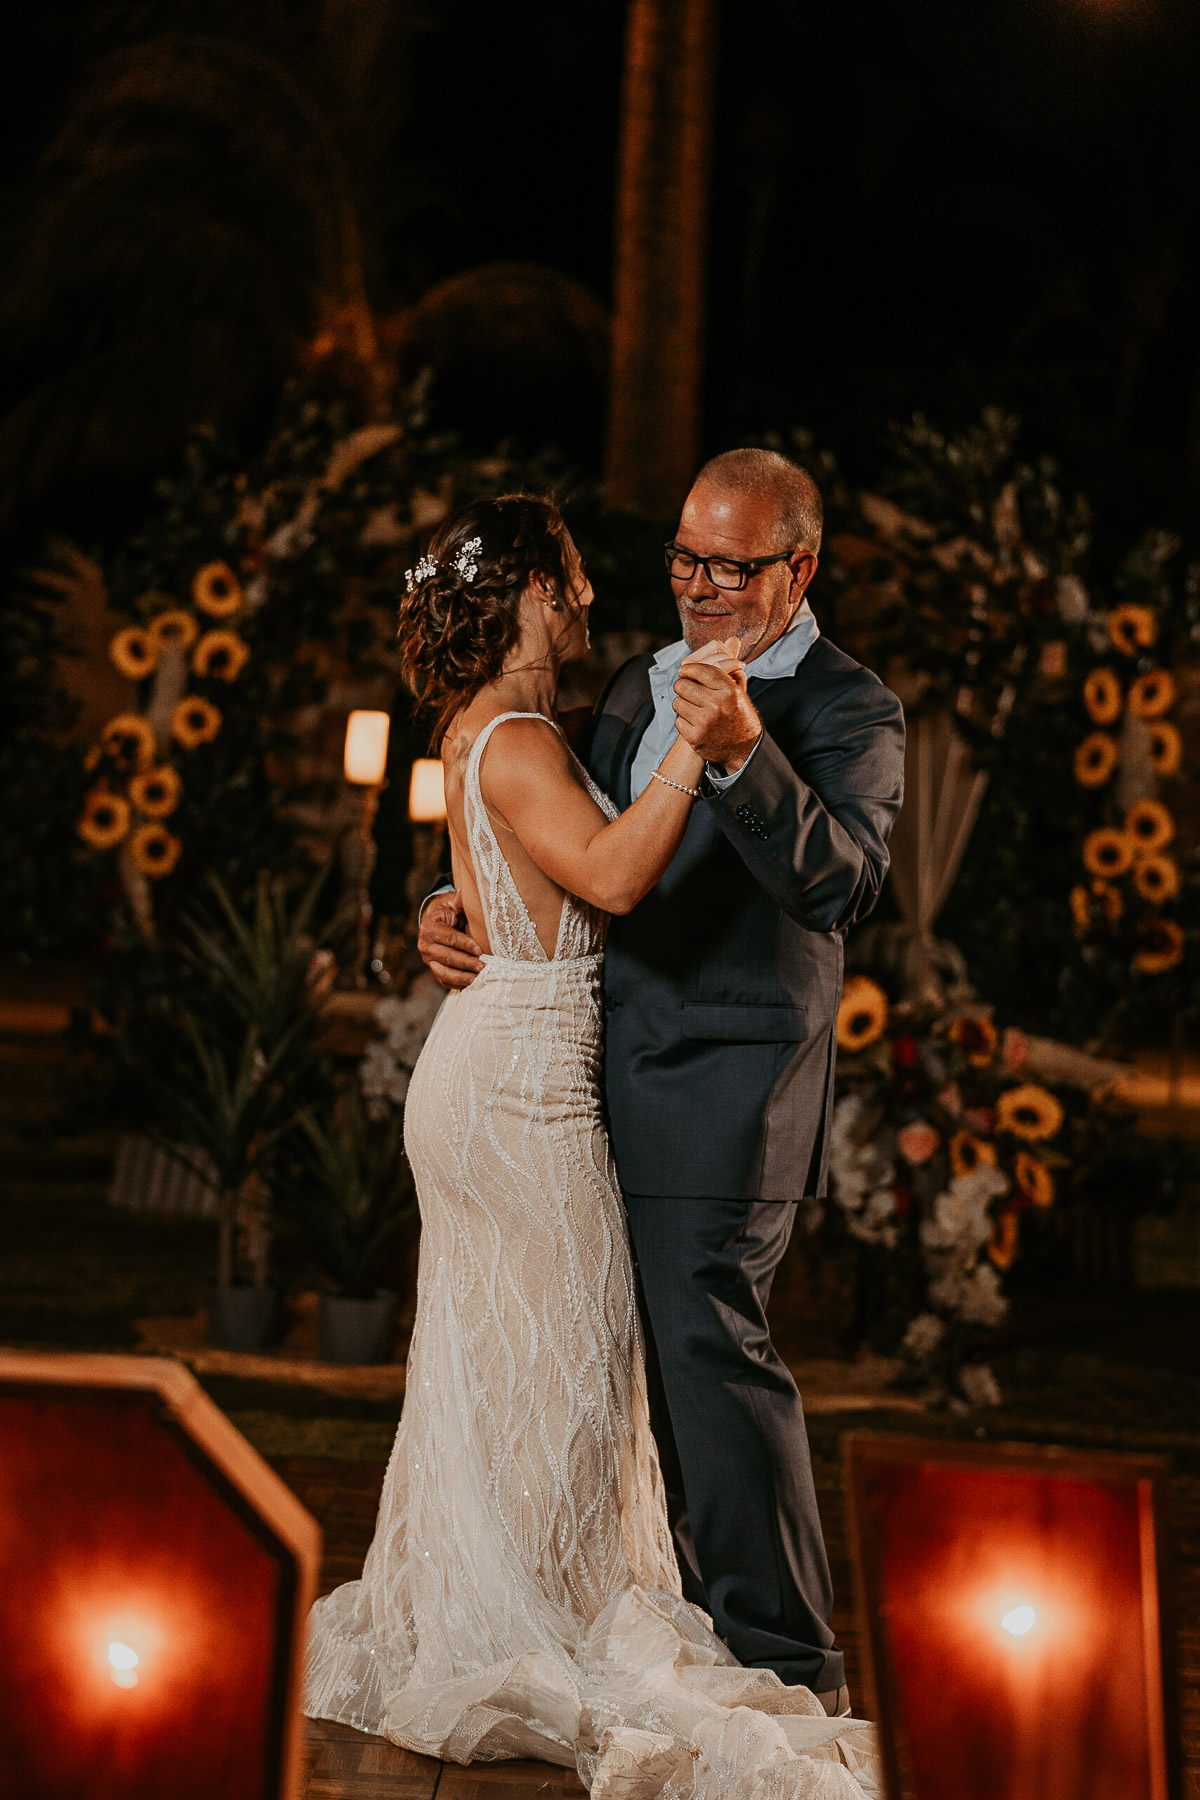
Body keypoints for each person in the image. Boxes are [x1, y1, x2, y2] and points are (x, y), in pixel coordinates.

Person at [305, 490, 881, 1798]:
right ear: (521, 595)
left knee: (513, 1369)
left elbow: (518, 859)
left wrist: (454, 897)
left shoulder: (503, 730)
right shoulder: (524, 732)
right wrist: (692, 750)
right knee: (563, 1370)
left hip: (502, 1064)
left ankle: (510, 1602)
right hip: (522, 1094)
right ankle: (528, 1625)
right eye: (563, 582)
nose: (584, 602)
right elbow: (613, 878)